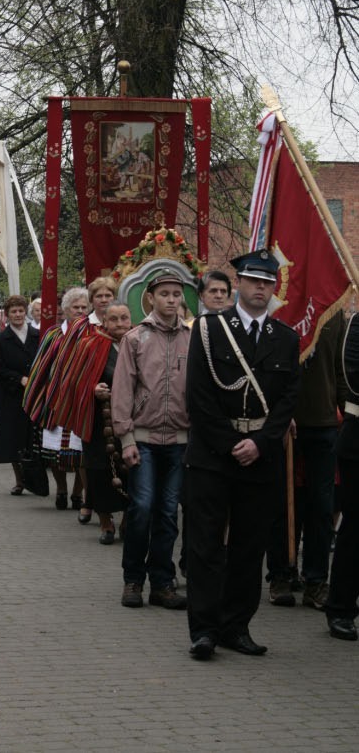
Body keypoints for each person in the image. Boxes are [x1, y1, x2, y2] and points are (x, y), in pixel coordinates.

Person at [184, 249, 299, 660]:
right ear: (239, 285)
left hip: (260, 455)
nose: (260, 288)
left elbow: (287, 400)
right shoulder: (209, 329)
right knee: (206, 545)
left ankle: (237, 626)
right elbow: (197, 395)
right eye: (253, 281)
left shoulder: (285, 339)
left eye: (268, 283)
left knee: (250, 547)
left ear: (274, 288)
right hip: (214, 454)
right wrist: (230, 442)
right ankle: (204, 630)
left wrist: (261, 443)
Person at [111, 269, 190, 610]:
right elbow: (123, 391)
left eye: (176, 294)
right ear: (151, 298)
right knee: (142, 507)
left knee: (169, 512)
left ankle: (162, 581)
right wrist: (127, 438)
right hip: (142, 438)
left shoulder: (193, 338)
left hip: (180, 440)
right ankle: (133, 579)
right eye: (165, 294)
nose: (171, 300)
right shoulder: (135, 339)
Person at [266, 310, 348, 608]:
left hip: (324, 422)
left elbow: (340, 370)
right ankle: (281, 575)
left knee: (322, 506)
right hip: (281, 424)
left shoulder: (336, 311)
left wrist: (344, 414)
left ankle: (316, 581)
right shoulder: (278, 310)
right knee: (283, 505)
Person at [22, 286, 89, 507]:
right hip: (56, 400)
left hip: (82, 401)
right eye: (75, 307)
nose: (79, 311)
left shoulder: (93, 333)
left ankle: (78, 492)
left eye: (83, 307)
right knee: (55, 452)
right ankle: (61, 489)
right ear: (65, 310)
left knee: (80, 453)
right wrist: (38, 396)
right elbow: (41, 366)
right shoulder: (54, 334)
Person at [83, 302, 132, 543]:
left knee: (131, 471)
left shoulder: (138, 343)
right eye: (114, 319)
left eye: (124, 318)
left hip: (132, 422)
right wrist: (93, 388)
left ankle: (127, 520)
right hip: (99, 422)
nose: (120, 323)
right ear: (104, 322)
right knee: (99, 471)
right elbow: (75, 381)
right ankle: (105, 521)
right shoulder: (91, 345)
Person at [325, 311, 359, 640]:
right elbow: (352, 379)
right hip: (357, 443)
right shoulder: (357, 325)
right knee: (355, 528)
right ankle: (341, 608)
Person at [0, 295, 40, 491]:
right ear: (8, 315)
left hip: (35, 393)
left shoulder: (38, 335)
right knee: (14, 437)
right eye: (14, 312)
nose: (18, 315)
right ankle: (20, 480)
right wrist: (18, 378)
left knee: (33, 436)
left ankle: (35, 477)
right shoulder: (0, 340)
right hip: (11, 394)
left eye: (21, 311)